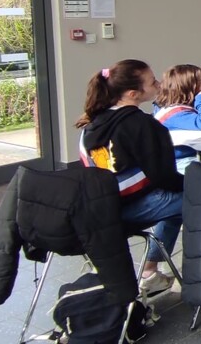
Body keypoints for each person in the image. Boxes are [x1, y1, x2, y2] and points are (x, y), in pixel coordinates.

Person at [76, 59, 181, 296]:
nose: (159, 83)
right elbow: (165, 178)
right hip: (125, 209)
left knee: (179, 204)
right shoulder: (142, 125)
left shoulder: (90, 124)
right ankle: (200, 276)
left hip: (98, 210)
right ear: (134, 93)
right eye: (153, 81)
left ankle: (150, 272)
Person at [154, 64, 201, 172]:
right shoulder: (174, 113)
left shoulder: (188, 104)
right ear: (189, 86)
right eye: (200, 81)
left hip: (198, 154)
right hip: (180, 163)